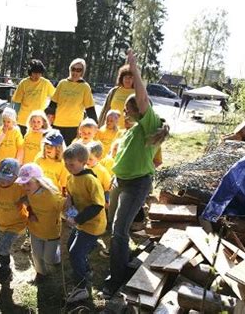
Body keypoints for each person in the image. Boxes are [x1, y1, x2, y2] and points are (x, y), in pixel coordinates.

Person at [103, 50, 167, 298]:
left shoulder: (148, 125)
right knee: (114, 227)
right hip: (120, 182)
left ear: (140, 110)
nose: (126, 113)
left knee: (119, 230)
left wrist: (134, 68)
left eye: (130, 110)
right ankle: (124, 262)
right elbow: (123, 156)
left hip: (136, 185)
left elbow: (141, 97)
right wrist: (114, 176)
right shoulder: (131, 131)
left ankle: (116, 278)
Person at [63, 143, 106, 303]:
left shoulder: (90, 180)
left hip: (93, 225)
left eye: (72, 164)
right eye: (66, 164)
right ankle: (86, 270)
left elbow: (98, 205)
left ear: (83, 162)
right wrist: (69, 201)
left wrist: (77, 219)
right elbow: (72, 194)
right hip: (80, 222)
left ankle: (81, 288)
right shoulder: (71, 177)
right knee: (70, 247)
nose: (68, 167)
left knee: (75, 253)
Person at [15, 163, 66, 283]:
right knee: (37, 255)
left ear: (38, 182)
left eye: (28, 183)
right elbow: (29, 202)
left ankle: (56, 258)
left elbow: (63, 204)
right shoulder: (29, 192)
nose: (25, 186)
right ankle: (40, 274)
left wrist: (73, 215)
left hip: (51, 233)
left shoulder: (51, 196)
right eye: (23, 183)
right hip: (35, 230)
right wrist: (30, 212)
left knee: (49, 258)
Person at [46, 58, 98, 146]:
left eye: (79, 70)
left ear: (82, 72)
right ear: (70, 69)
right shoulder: (62, 83)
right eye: (73, 69)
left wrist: (95, 125)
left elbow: (90, 109)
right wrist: (46, 119)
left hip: (75, 126)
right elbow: (52, 105)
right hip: (58, 124)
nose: (75, 72)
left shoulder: (85, 87)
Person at [12, 59, 55, 136]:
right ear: (30, 72)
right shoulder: (23, 83)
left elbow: (55, 97)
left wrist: (50, 112)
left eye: (39, 73)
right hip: (23, 120)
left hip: (38, 121)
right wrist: (14, 118)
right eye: (34, 73)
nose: (37, 76)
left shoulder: (46, 83)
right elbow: (17, 102)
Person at [98, 64, 135, 129]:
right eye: (126, 77)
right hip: (111, 130)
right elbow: (105, 110)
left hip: (127, 131)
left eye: (130, 77)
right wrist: (99, 125)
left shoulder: (137, 93)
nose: (128, 80)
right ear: (121, 78)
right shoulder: (114, 91)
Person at [35, 129, 68, 193]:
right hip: (39, 191)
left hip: (54, 193)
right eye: (46, 145)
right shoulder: (39, 158)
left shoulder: (62, 163)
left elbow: (64, 184)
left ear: (58, 148)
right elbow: (33, 175)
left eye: (52, 146)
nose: (48, 148)